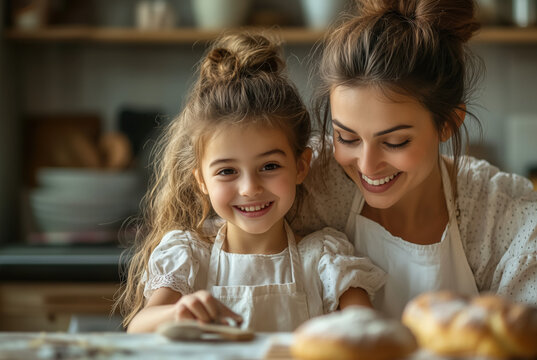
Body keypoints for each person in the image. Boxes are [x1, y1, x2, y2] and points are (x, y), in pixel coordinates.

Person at [289, 0, 537, 327]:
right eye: (347, 138)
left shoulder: (511, 222)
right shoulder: (309, 183)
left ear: (448, 123)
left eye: (394, 141)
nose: (368, 166)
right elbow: (225, 218)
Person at [115, 33, 386, 333]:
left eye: (269, 166)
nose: (249, 188)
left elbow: (368, 330)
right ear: (201, 180)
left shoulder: (325, 258)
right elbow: (138, 327)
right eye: (227, 171)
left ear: (300, 166)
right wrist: (177, 312)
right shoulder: (190, 255)